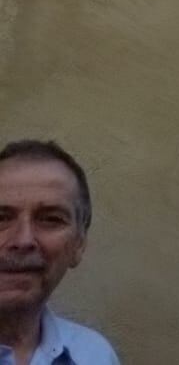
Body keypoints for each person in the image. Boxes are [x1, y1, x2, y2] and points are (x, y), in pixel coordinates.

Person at [0, 141, 118, 365]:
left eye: (51, 219)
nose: (23, 240)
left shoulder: (94, 354)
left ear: (79, 244)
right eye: (1, 218)